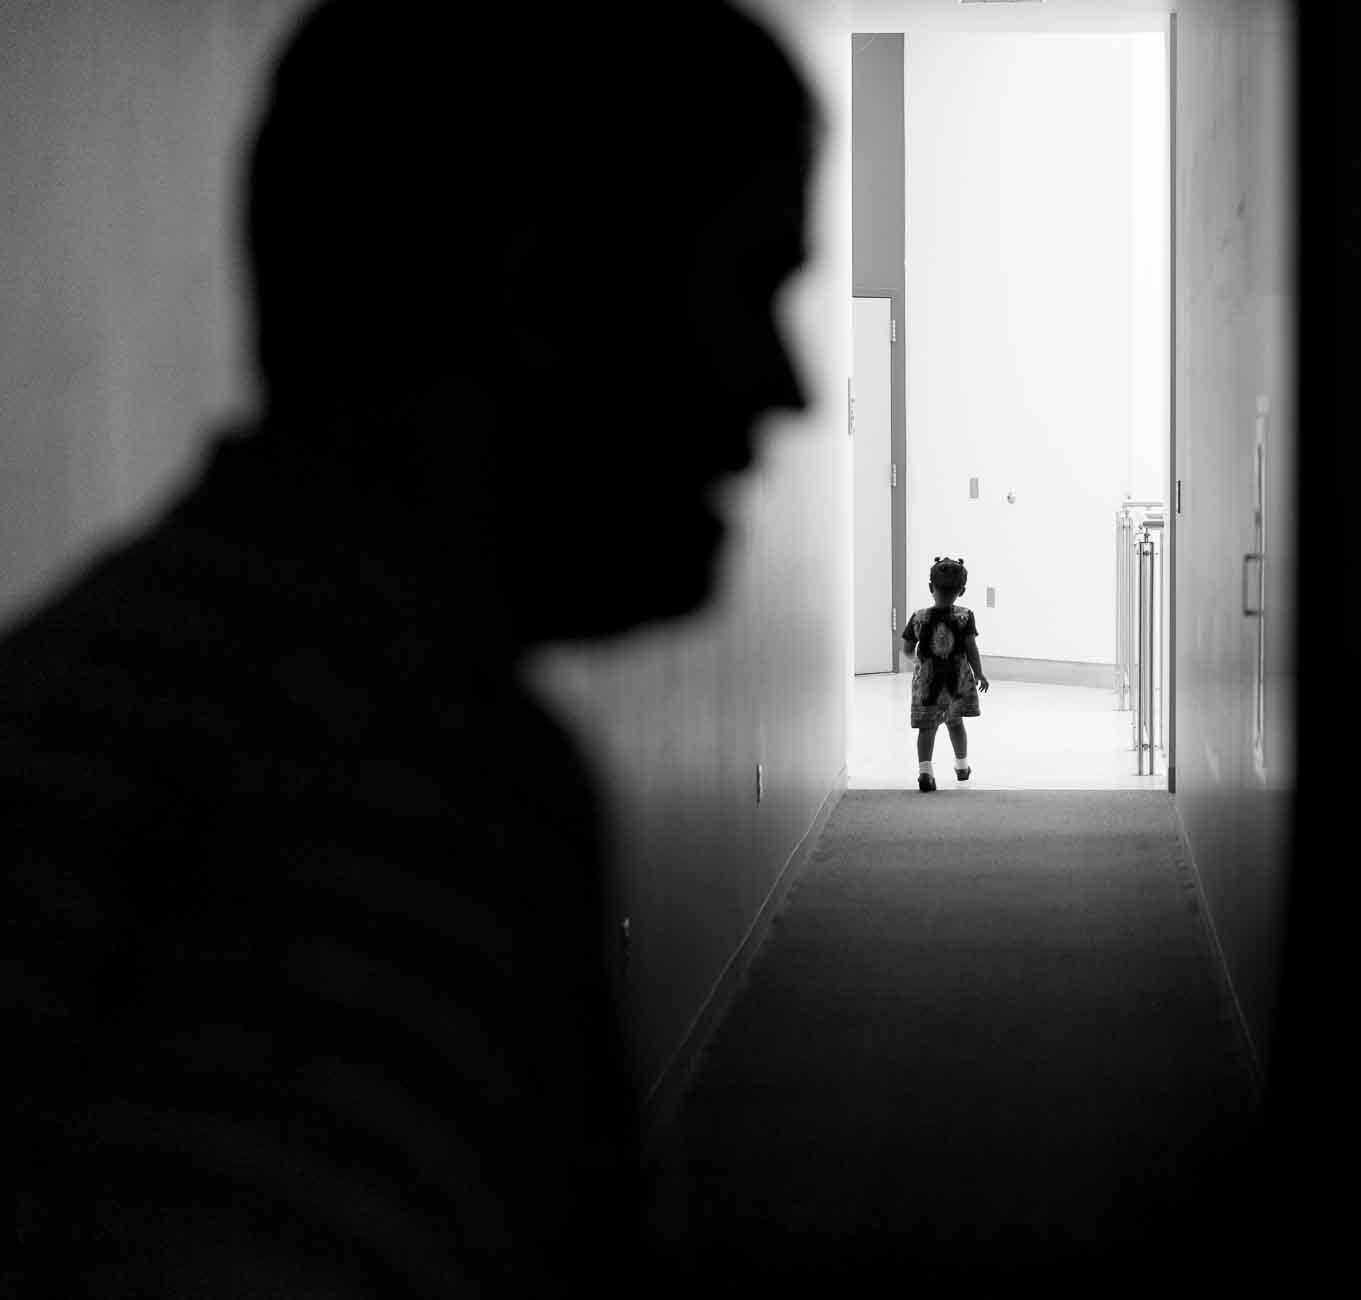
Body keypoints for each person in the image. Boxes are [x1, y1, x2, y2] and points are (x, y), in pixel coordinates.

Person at [0, 2, 812, 1295]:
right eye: (751, 283)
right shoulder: (410, 793)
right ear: (538, 289)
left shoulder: (102, 689)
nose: (788, 389)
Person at [901, 556, 991, 792]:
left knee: (927, 728)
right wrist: (979, 673)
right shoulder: (965, 616)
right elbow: (972, 648)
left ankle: (925, 772)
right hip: (956, 684)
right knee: (955, 723)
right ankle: (962, 767)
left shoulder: (918, 617)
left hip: (928, 684)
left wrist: (918, 664)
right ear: (962, 591)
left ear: (931, 587)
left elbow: (907, 650)